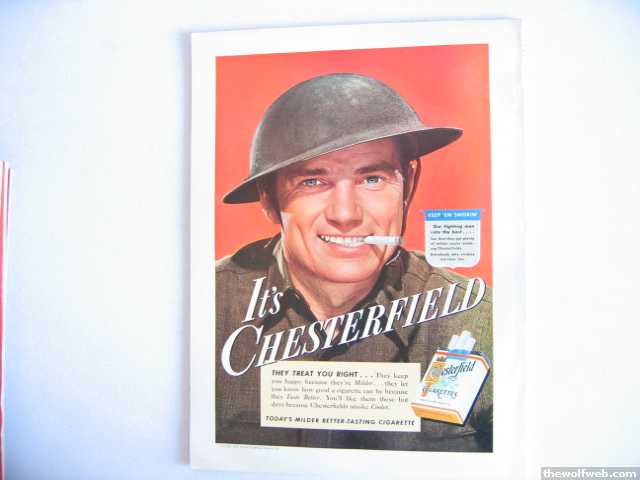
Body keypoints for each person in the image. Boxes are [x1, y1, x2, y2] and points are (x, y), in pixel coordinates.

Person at [215, 73, 492, 451]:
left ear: (409, 186)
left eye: (373, 179)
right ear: (268, 198)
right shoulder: (207, 307)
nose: (345, 215)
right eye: (313, 182)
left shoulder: (473, 318)